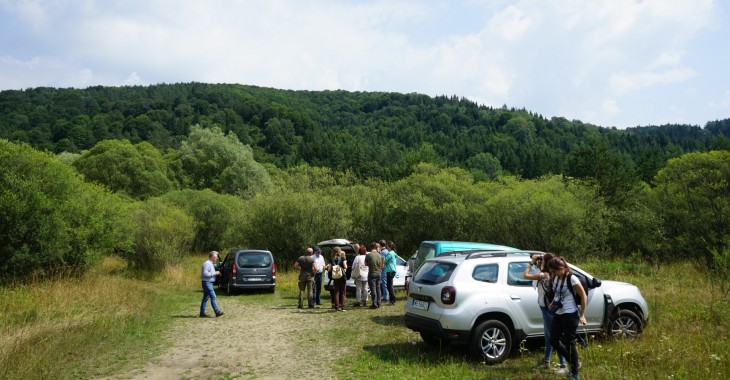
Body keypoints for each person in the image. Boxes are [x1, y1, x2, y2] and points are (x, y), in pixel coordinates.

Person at [523, 253, 568, 374]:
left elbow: (525, 275)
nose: (540, 261)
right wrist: (540, 262)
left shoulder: (544, 275)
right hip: (548, 308)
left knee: (554, 337)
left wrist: (532, 262)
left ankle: (563, 364)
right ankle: (547, 361)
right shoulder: (551, 273)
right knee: (549, 336)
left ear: (545, 263)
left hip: (548, 310)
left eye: (542, 260)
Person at [546, 257, 587, 380]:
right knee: (553, 340)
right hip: (558, 313)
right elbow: (557, 292)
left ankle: (574, 374)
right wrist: (552, 302)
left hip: (570, 314)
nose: (553, 273)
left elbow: (583, 296)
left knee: (569, 343)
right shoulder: (557, 277)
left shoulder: (572, 278)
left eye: (555, 271)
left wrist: (582, 315)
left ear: (562, 268)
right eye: (552, 272)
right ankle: (575, 363)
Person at [200, 251, 224, 318]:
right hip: (207, 283)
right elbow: (205, 274)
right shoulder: (207, 264)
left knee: (205, 298)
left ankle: (202, 313)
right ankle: (217, 312)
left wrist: (216, 272)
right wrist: (214, 273)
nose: (216, 259)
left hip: (208, 283)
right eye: (216, 257)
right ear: (213, 257)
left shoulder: (210, 263)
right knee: (213, 297)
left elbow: (209, 272)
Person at [326, 246, 348, 311]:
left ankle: (336, 306)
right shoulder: (342, 258)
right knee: (343, 292)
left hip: (335, 277)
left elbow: (329, 269)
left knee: (336, 292)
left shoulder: (331, 259)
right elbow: (345, 267)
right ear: (339, 251)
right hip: (342, 276)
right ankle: (343, 306)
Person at [365, 242, 384, 309]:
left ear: (371, 247)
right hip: (378, 273)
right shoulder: (380, 255)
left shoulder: (368, 255)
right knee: (378, 288)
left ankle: (374, 303)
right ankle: (379, 303)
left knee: (373, 289)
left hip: (371, 273)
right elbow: (382, 265)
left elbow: (365, 264)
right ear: (376, 248)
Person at [383, 241, 398, 305]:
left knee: (389, 286)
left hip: (390, 270)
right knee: (390, 286)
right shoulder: (393, 253)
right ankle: (392, 299)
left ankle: (393, 300)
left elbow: (385, 261)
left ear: (389, 247)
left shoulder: (390, 253)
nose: (386, 248)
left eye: (387, 247)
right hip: (393, 270)